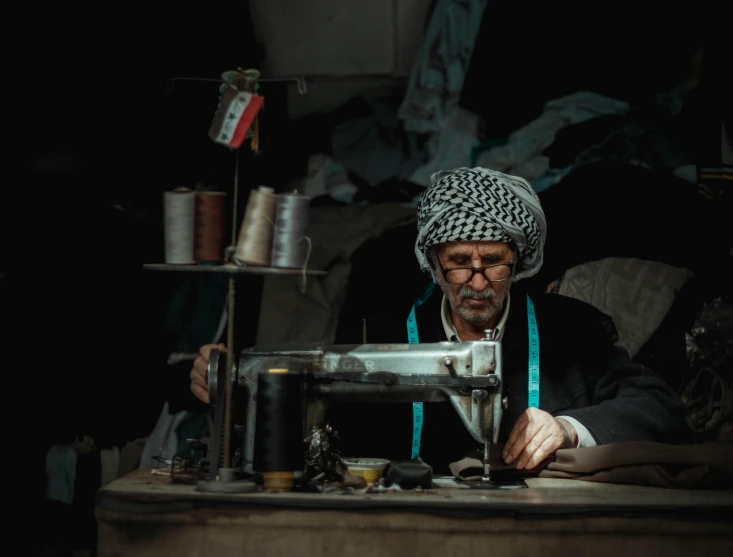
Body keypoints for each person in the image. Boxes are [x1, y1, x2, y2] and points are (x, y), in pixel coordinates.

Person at [190, 167, 688, 473]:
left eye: (494, 261)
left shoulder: (572, 330)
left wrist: (569, 428)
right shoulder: (378, 336)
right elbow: (312, 426)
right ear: (432, 263)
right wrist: (236, 388)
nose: (476, 282)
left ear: (520, 260)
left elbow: (661, 406)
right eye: (458, 263)